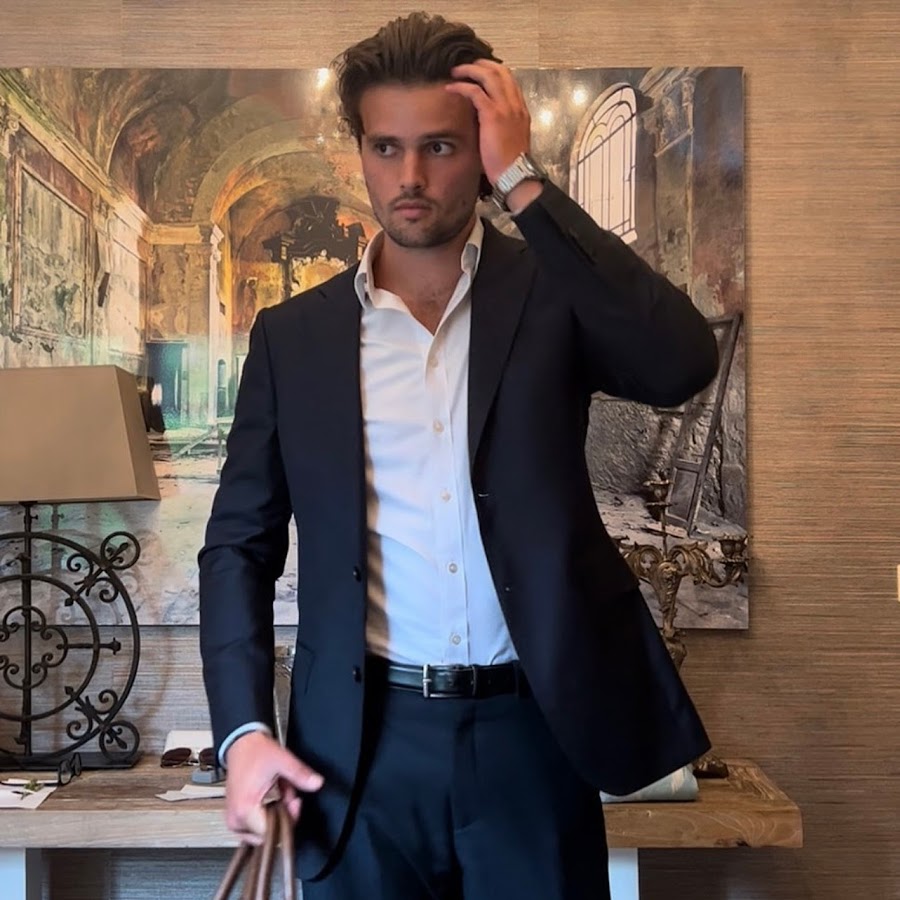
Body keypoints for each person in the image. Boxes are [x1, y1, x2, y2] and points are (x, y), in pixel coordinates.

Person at [199, 12, 718, 900]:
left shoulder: (553, 297)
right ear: (360, 152)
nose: (409, 176)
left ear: (480, 149)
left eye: (439, 146)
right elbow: (237, 546)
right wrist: (243, 732)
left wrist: (524, 181)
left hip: (534, 735)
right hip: (358, 748)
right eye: (386, 147)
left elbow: (680, 363)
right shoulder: (293, 339)